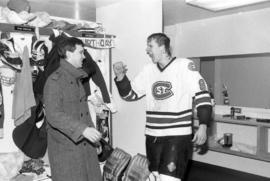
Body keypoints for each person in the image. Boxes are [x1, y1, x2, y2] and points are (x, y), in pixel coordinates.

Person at [113, 33, 212, 181]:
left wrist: (203, 125)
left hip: (176, 136)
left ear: (163, 48)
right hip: (152, 136)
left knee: (168, 179)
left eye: (150, 46)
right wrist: (120, 76)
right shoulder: (148, 70)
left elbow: (203, 95)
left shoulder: (184, 66)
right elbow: (130, 94)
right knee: (154, 177)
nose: (147, 50)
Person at [43, 37, 102, 181]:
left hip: (85, 146)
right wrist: (83, 130)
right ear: (69, 54)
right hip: (66, 151)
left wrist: (95, 140)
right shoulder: (54, 81)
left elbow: (84, 113)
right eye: (81, 53)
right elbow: (53, 115)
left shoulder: (77, 78)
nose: (84, 57)